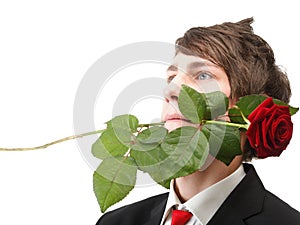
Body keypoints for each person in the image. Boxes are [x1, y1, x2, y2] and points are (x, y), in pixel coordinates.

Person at [95, 18, 300, 225]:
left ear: (253, 110)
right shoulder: (115, 222)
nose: (171, 90)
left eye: (202, 75)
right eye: (172, 77)